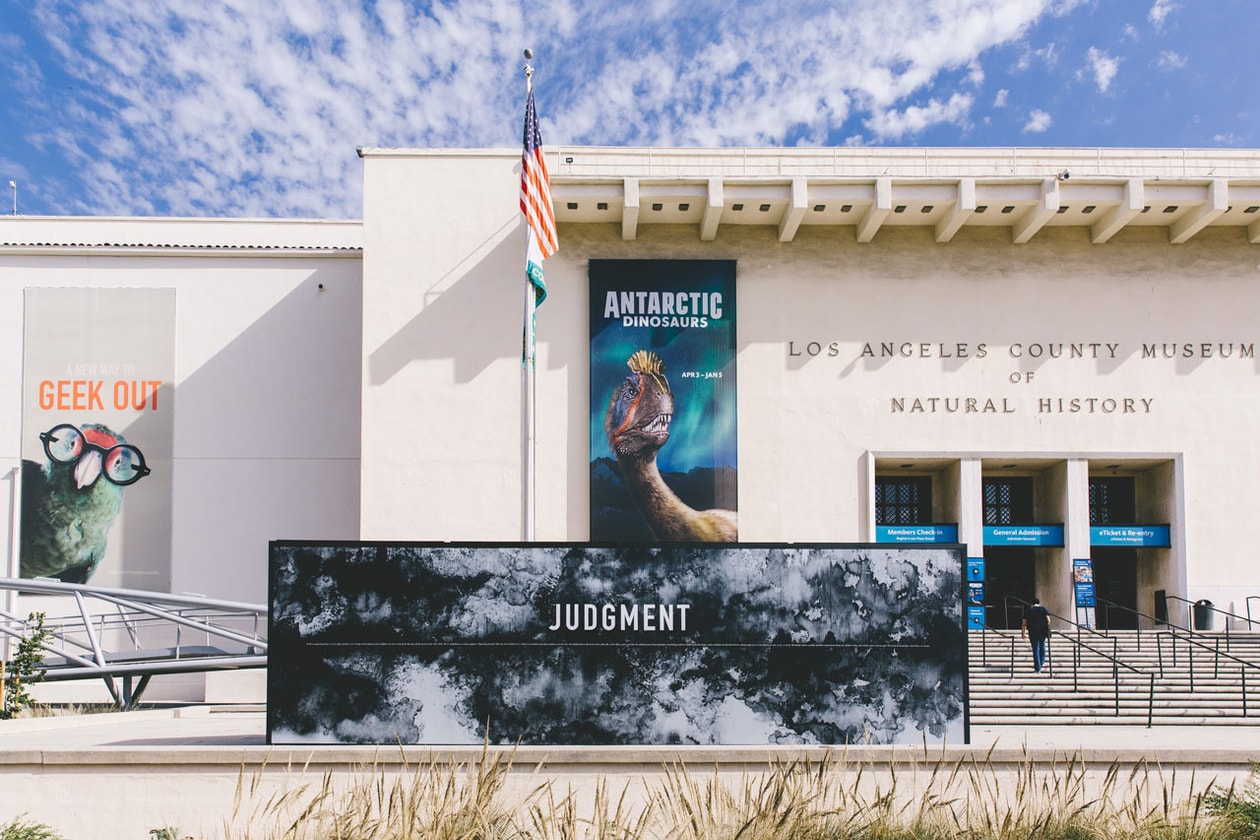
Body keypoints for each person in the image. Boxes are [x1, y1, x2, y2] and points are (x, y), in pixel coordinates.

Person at [1021, 597, 1051, 673]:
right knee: (1042, 645)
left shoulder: (1029, 610)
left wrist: (1023, 633)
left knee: (1035, 649)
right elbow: (1048, 620)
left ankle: (1037, 668)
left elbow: (1024, 623)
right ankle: (1042, 661)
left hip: (1033, 631)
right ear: (1039, 603)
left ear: (1031, 604)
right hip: (1042, 631)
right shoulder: (1044, 609)